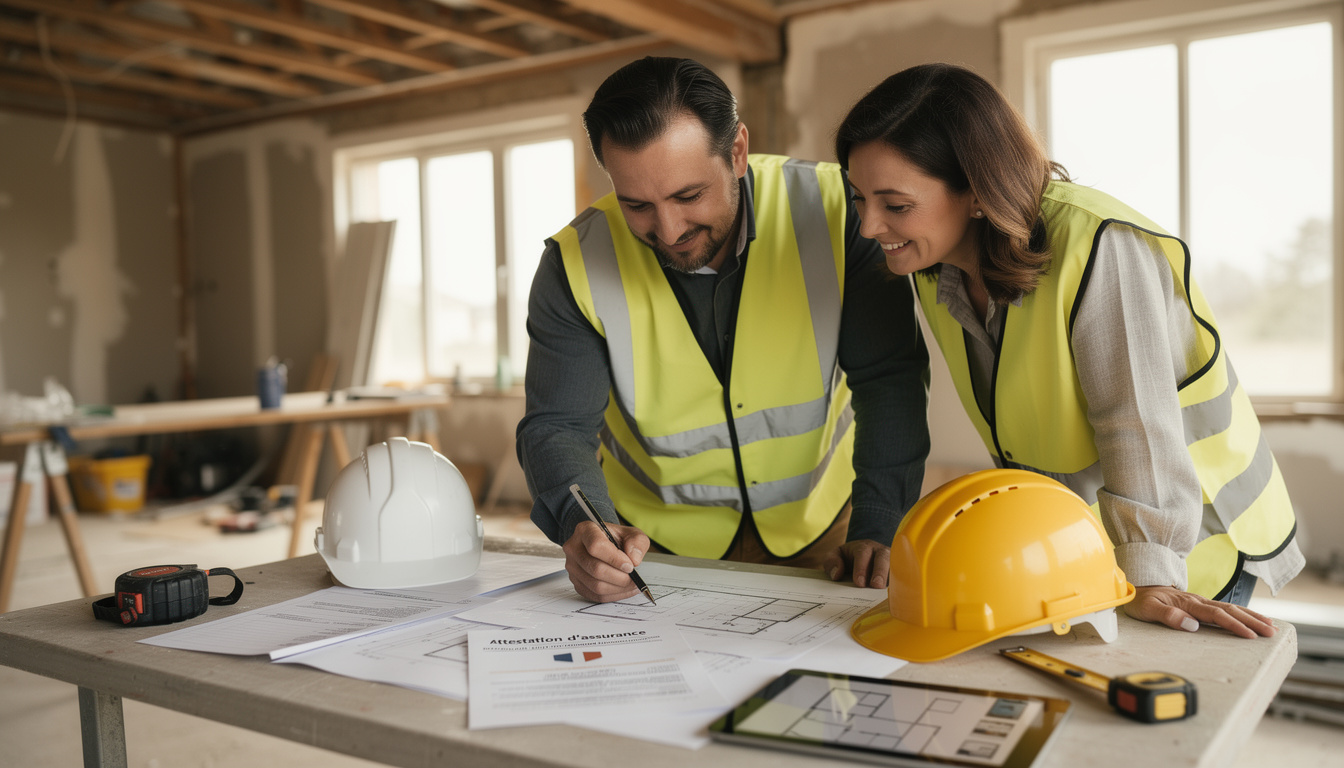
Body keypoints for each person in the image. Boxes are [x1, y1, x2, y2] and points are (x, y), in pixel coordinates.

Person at [834, 63, 1303, 638]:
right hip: (1096, 552)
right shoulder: (936, 265)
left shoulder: (1099, 245)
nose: (868, 226)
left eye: (894, 205)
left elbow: (1136, 424)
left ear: (977, 192)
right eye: (859, 199)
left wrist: (1151, 574)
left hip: (1191, 546)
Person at [517, 56, 931, 603]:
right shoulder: (573, 263)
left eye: (688, 196)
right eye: (637, 204)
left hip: (828, 534)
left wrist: (880, 517)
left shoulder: (838, 212)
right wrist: (585, 523)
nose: (668, 230)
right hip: (650, 550)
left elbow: (889, 378)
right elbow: (557, 427)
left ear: (736, 151)